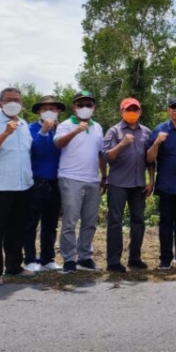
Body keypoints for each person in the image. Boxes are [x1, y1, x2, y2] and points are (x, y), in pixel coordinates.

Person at [0, 87, 34, 285]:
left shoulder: (24, 124)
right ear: (0, 103)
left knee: (17, 229)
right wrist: (5, 133)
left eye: (17, 100)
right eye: (9, 99)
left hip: (23, 185)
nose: (13, 102)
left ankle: (14, 266)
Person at [54, 89, 106, 273]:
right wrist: (76, 130)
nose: (85, 107)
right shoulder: (66, 125)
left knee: (90, 222)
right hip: (71, 178)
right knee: (70, 221)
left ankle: (84, 256)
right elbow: (58, 143)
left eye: (88, 104)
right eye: (80, 104)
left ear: (94, 107)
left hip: (93, 179)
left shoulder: (98, 127)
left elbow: (101, 154)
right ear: (73, 107)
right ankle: (69, 258)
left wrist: (104, 176)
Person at [103, 98, 153, 272]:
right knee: (115, 222)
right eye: (128, 109)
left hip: (138, 183)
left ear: (140, 112)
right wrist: (122, 144)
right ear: (121, 111)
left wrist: (151, 180)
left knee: (138, 221)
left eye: (135, 109)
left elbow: (150, 159)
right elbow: (107, 157)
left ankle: (135, 258)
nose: (132, 112)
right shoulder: (113, 131)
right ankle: (113, 261)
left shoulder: (146, 132)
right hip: (118, 183)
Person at [147, 97, 176, 269]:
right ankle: (165, 259)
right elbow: (149, 158)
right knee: (166, 223)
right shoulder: (160, 130)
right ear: (168, 111)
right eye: (173, 107)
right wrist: (157, 143)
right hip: (166, 185)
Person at [24, 95, 65, 273]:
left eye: (53, 109)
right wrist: (44, 132)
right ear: (39, 112)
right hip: (36, 182)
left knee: (51, 223)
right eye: (45, 109)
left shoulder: (62, 131)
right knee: (31, 222)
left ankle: (48, 258)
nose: (49, 112)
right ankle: (30, 259)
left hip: (55, 182)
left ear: (59, 112)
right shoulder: (31, 128)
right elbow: (37, 151)